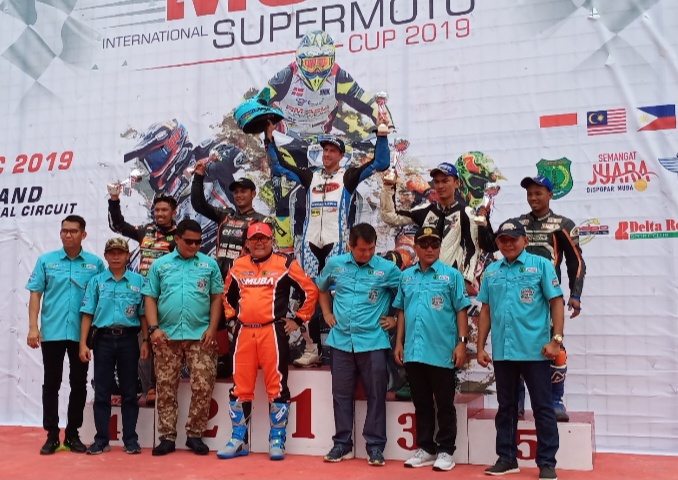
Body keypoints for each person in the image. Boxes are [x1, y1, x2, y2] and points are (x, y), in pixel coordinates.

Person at [265, 122, 390, 367]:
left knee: (339, 293)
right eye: (325, 150)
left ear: (341, 155)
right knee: (309, 294)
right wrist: (269, 138)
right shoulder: (310, 176)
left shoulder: (348, 177)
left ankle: (341, 347)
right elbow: (278, 166)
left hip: (337, 243)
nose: (327, 154)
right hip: (310, 244)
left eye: (333, 151)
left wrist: (382, 137)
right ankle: (312, 348)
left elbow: (380, 163)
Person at [479, 175, 586, 422]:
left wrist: (576, 294)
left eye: (539, 193)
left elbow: (576, 261)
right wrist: (484, 220)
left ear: (550, 195)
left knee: (556, 348)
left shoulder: (563, 224)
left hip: (547, 296)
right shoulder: (518, 224)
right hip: (517, 296)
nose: (533, 198)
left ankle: (555, 399)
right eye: (529, 194)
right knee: (515, 348)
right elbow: (492, 245)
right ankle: (516, 401)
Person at [218, 222, 318, 461]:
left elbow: (310, 291)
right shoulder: (237, 265)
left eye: (264, 238)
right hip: (244, 333)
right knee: (240, 387)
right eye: (254, 239)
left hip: (271, 332)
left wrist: (298, 320)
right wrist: (231, 320)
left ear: (272, 240)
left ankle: (277, 440)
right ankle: (239, 440)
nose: (259, 243)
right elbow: (225, 296)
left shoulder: (285, 263)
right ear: (247, 243)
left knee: (277, 386)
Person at [476, 219, 564, 480]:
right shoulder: (491, 271)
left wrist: (556, 339)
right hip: (504, 351)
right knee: (506, 407)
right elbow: (485, 310)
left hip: (536, 351)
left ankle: (547, 462)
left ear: (525, 240)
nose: (508, 244)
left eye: (513, 239)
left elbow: (556, 302)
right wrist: (480, 346)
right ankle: (506, 458)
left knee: (542, 408)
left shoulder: (541, 266)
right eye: (502, 240)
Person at [316, 223, 401, 467]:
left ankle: (375, 447)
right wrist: (326, 313)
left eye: (371, 249)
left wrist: (395, 319)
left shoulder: (387, 269)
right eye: (362, 249)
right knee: (341, 395)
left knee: (376, 395)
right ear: (350, 246)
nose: (367, 254)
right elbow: (321, 288)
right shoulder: (336, 264)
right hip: (341, 341)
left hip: (373, 341)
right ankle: (342, 445)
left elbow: (405, 294)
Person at [141, 219, 223, 456]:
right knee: (166, 388)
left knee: (203, 385)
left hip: (200, 336)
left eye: (198, 242)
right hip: (167, 336)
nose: (194, 246)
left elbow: (216, 297)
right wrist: (154, 329)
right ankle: (167, 437)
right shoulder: (160, 265)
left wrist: (212, 328)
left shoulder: (209, 265)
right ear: (177, 239)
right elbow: (150, 297)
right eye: (189, 241)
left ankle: (195, 435)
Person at [393, 226, 471, 471]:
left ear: (439, 247)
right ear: (416, 247)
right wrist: (399, 342)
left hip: (441, 351)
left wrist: (461, 343)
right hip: (414, 350)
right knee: (422, 403)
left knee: (445, 404)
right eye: (424, 244)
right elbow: (401, 311)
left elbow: (461, 310)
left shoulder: (452, 276)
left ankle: (446, 450)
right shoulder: (406, 276)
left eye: (434, 245)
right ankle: (426, 448)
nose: (429, 249)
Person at [26, 215, 105, 455]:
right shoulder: (46, 261)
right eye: (64, 231)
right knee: (51, 383)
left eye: (73, 231)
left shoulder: (95, 264)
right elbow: (35, 294)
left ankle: (72, 434)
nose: (67, 235)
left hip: (82, 336)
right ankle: (52, 435)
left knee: (79, 384)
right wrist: (33, 327)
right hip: (52, 332)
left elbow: (102, 297)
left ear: (84, 234)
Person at [108, 187, 178, 405]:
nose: (160, 214)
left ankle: (160, 386)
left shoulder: (179, 236)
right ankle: (148, 387)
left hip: (166, 297)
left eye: (164, 210)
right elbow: (118, 225)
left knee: (163, 343)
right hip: (142, 297)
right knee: (144, 343)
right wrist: (114, 199)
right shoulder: (145, 231)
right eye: (157, 210)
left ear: (173, 212)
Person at [79, 238, 148, 455]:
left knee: (129, 391)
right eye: (112, 253)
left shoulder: (139, 281)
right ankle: (101, 439)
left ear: (128, 255)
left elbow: (143, 315)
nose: (116, 257)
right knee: (102, 391)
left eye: (120, 253)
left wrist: (146, 341)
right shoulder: (97, 282)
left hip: (129, 339)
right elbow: (87, 313)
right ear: (106, 256)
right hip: (103, 340)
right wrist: (83, 343)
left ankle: (130, 439)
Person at [258, 30, 393, 137]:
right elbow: (259, 101)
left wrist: (388, 125)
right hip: (285, 139)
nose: (317, 70)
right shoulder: (286, 76)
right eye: (311, 64)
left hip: (321, 141)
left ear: (332, 60)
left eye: (323, 63)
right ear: (299, 61)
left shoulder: (338, 77)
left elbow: (368, 102)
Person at [381, 162, 480, 287]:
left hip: (451, 283)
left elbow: (473, 248)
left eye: (445, 181)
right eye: (437, 182)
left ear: (456, 183)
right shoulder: (425, 210)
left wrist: (467, 280)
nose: (440, 186)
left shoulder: (467, 212)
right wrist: (388, 187)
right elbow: (390, 217)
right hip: (424, 283)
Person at [191, 163, 268, 278]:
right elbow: (198, 204)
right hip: (219, 279)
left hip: (244, 279)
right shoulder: (225, 215)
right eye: (236, 192)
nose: (239, 195)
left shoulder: (261, 220)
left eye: (243, 191)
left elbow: (266, 255)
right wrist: (198, 176)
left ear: (253, 194)